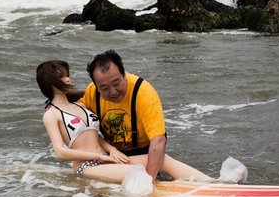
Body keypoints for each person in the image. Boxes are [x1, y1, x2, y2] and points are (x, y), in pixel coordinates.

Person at [36, 59, 211, 183]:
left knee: (161, 160)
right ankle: (163, 194)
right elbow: (60, 152)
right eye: (62, 77)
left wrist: (111, 150)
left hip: (106, 158)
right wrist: (98, 156)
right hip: (87, 166)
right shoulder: (51, 114)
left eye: (67, 75)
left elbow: (95, 138)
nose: (68, 79)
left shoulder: (80, 105)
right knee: (138, 172)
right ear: (49, 82)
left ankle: (214, 183)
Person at [81, 50, 210, 182]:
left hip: (144, 152)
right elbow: (75, 119)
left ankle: (213, 184)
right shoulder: (91, 93)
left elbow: (158, 140)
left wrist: (149, 181)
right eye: (104, 88)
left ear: (124, 75)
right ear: (96, 86)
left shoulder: (143, 92)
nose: (113, 91)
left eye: (116, 83)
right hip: (113, 154)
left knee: (163, 163)